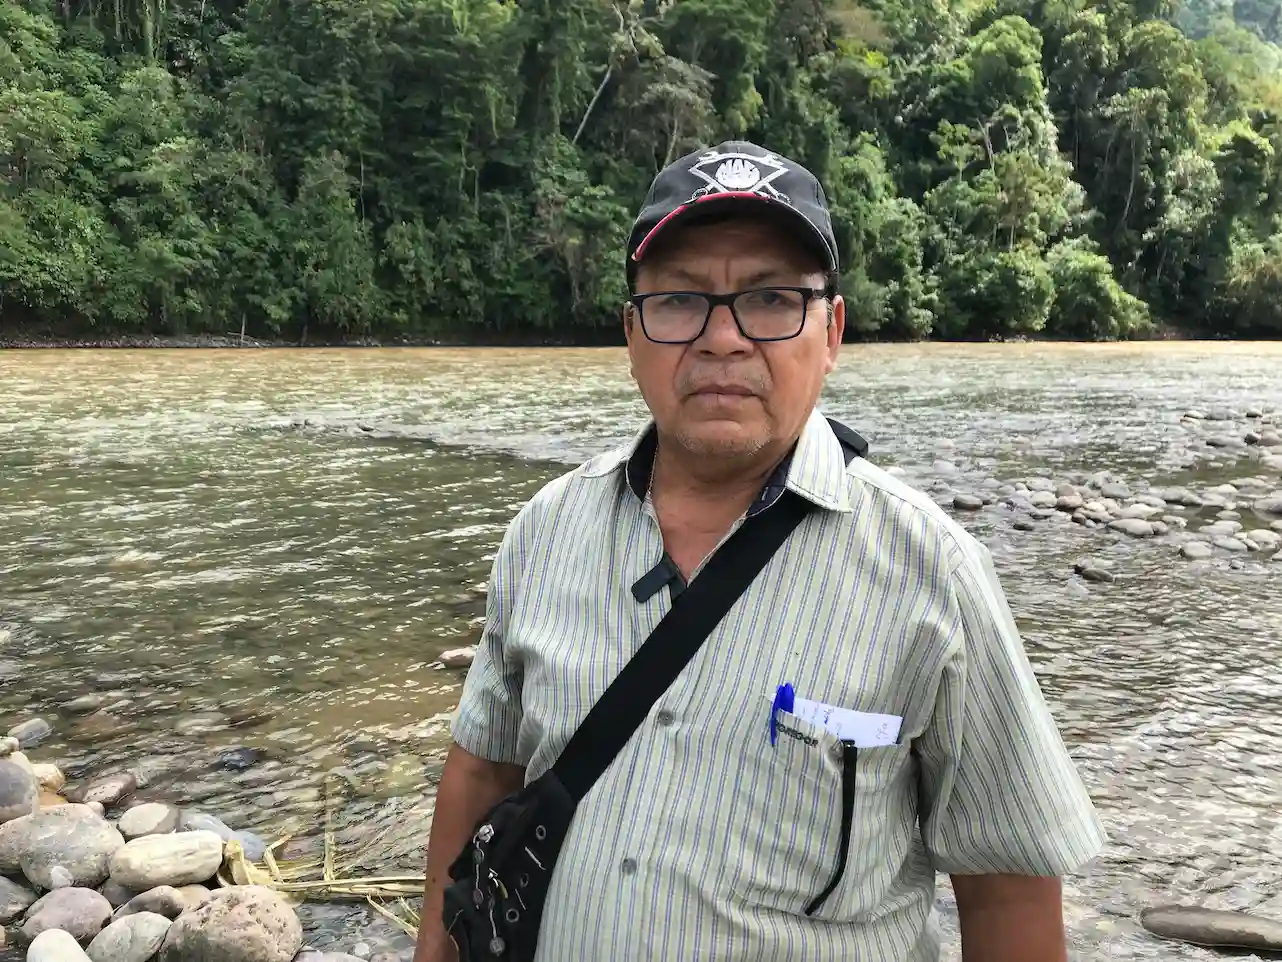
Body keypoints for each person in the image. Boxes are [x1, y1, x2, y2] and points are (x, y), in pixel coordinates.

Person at [412, 141, 1106, 962]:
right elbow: (484, 772)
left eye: (772, 299)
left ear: (831, 331)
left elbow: (1007, 889)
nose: (723, 340)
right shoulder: (545, 532)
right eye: (680, 300)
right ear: (632, 331)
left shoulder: (934, 573)